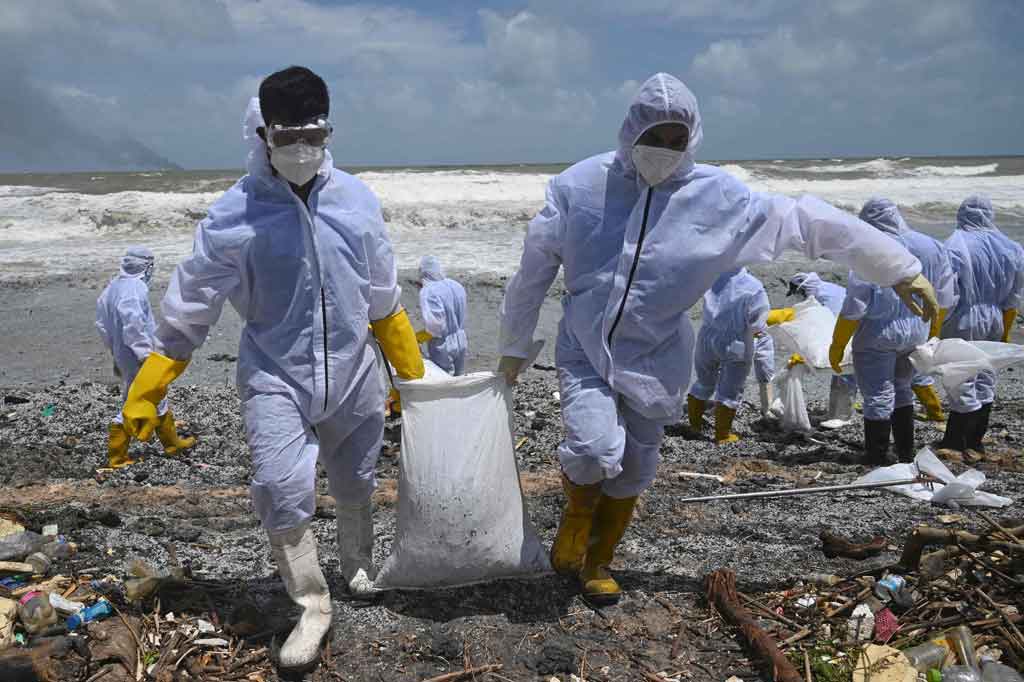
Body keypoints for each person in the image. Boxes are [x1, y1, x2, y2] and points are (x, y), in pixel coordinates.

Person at [498, 73, 939, 605]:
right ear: (630, 130)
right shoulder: (580, 187)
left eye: (675, 139)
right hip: (584, 345)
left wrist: (898, 268)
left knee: (636, 465)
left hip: (658, 351)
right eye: (653, 136)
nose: (662, 149)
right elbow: (532, 271)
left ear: (692, 140)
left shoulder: (719, 198)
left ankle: (599, 557)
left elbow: (808, 222)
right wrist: (514, 346)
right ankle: (575, 523)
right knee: (593, 449)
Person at [120, 67, 424, 671]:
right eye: (288, 138)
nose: (302, 149)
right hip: (276, 374)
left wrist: (411, 375)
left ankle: (358, 566)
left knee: (357, 479)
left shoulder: (357, 200)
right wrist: (150, 385)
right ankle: (312, 604)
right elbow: (192, 303)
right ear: (263, 134)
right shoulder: (236, 213)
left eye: (316, 134)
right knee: (283, 489)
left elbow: (383, 294)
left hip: (354, 366)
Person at [828, 198, 956, 464]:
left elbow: (855, 305)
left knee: (877, 395)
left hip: (878, 333)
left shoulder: (870, 249)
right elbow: (944, 295)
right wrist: (933, 330)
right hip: (916, 330)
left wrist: (838, 344)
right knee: (903, 388)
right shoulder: (931, 245)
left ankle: (877, 455)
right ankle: (906, 453)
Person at [937, 196, 1024, 453]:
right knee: (986, 373)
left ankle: (955, 441)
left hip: (964, 316)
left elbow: (947, 291)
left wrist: (939, 324)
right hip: (995, 315)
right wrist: (1005, 325)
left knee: (961, 376)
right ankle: (975, 440)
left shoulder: (954, 244)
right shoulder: (1011, 247)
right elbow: (1015, 295)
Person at [95, 247, 195, 468]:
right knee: (138, 398)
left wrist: (113, 349)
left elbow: (101, 323)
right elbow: (134, 324)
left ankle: (171, 444)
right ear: (147, 267)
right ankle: (117, 456)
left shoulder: (113, 287)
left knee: (155, 393)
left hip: (123, 351)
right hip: (137, 353)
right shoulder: (135, 288)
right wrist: (144, 354)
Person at [687, 268, 775, 443]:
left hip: (707, 335)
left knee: (703, 381)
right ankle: (723, 435)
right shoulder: (754, 286)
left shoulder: (711, 275)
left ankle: (694, 426)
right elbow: (758, 322)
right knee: (729, 389)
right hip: (736, 340)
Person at [415, 255, 468, 375]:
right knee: (458, 380)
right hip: (461, 338)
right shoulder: (456, 285)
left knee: (444, 381)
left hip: (443, 344)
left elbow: (435, 325)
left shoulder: (429, 291)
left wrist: (419, 338)